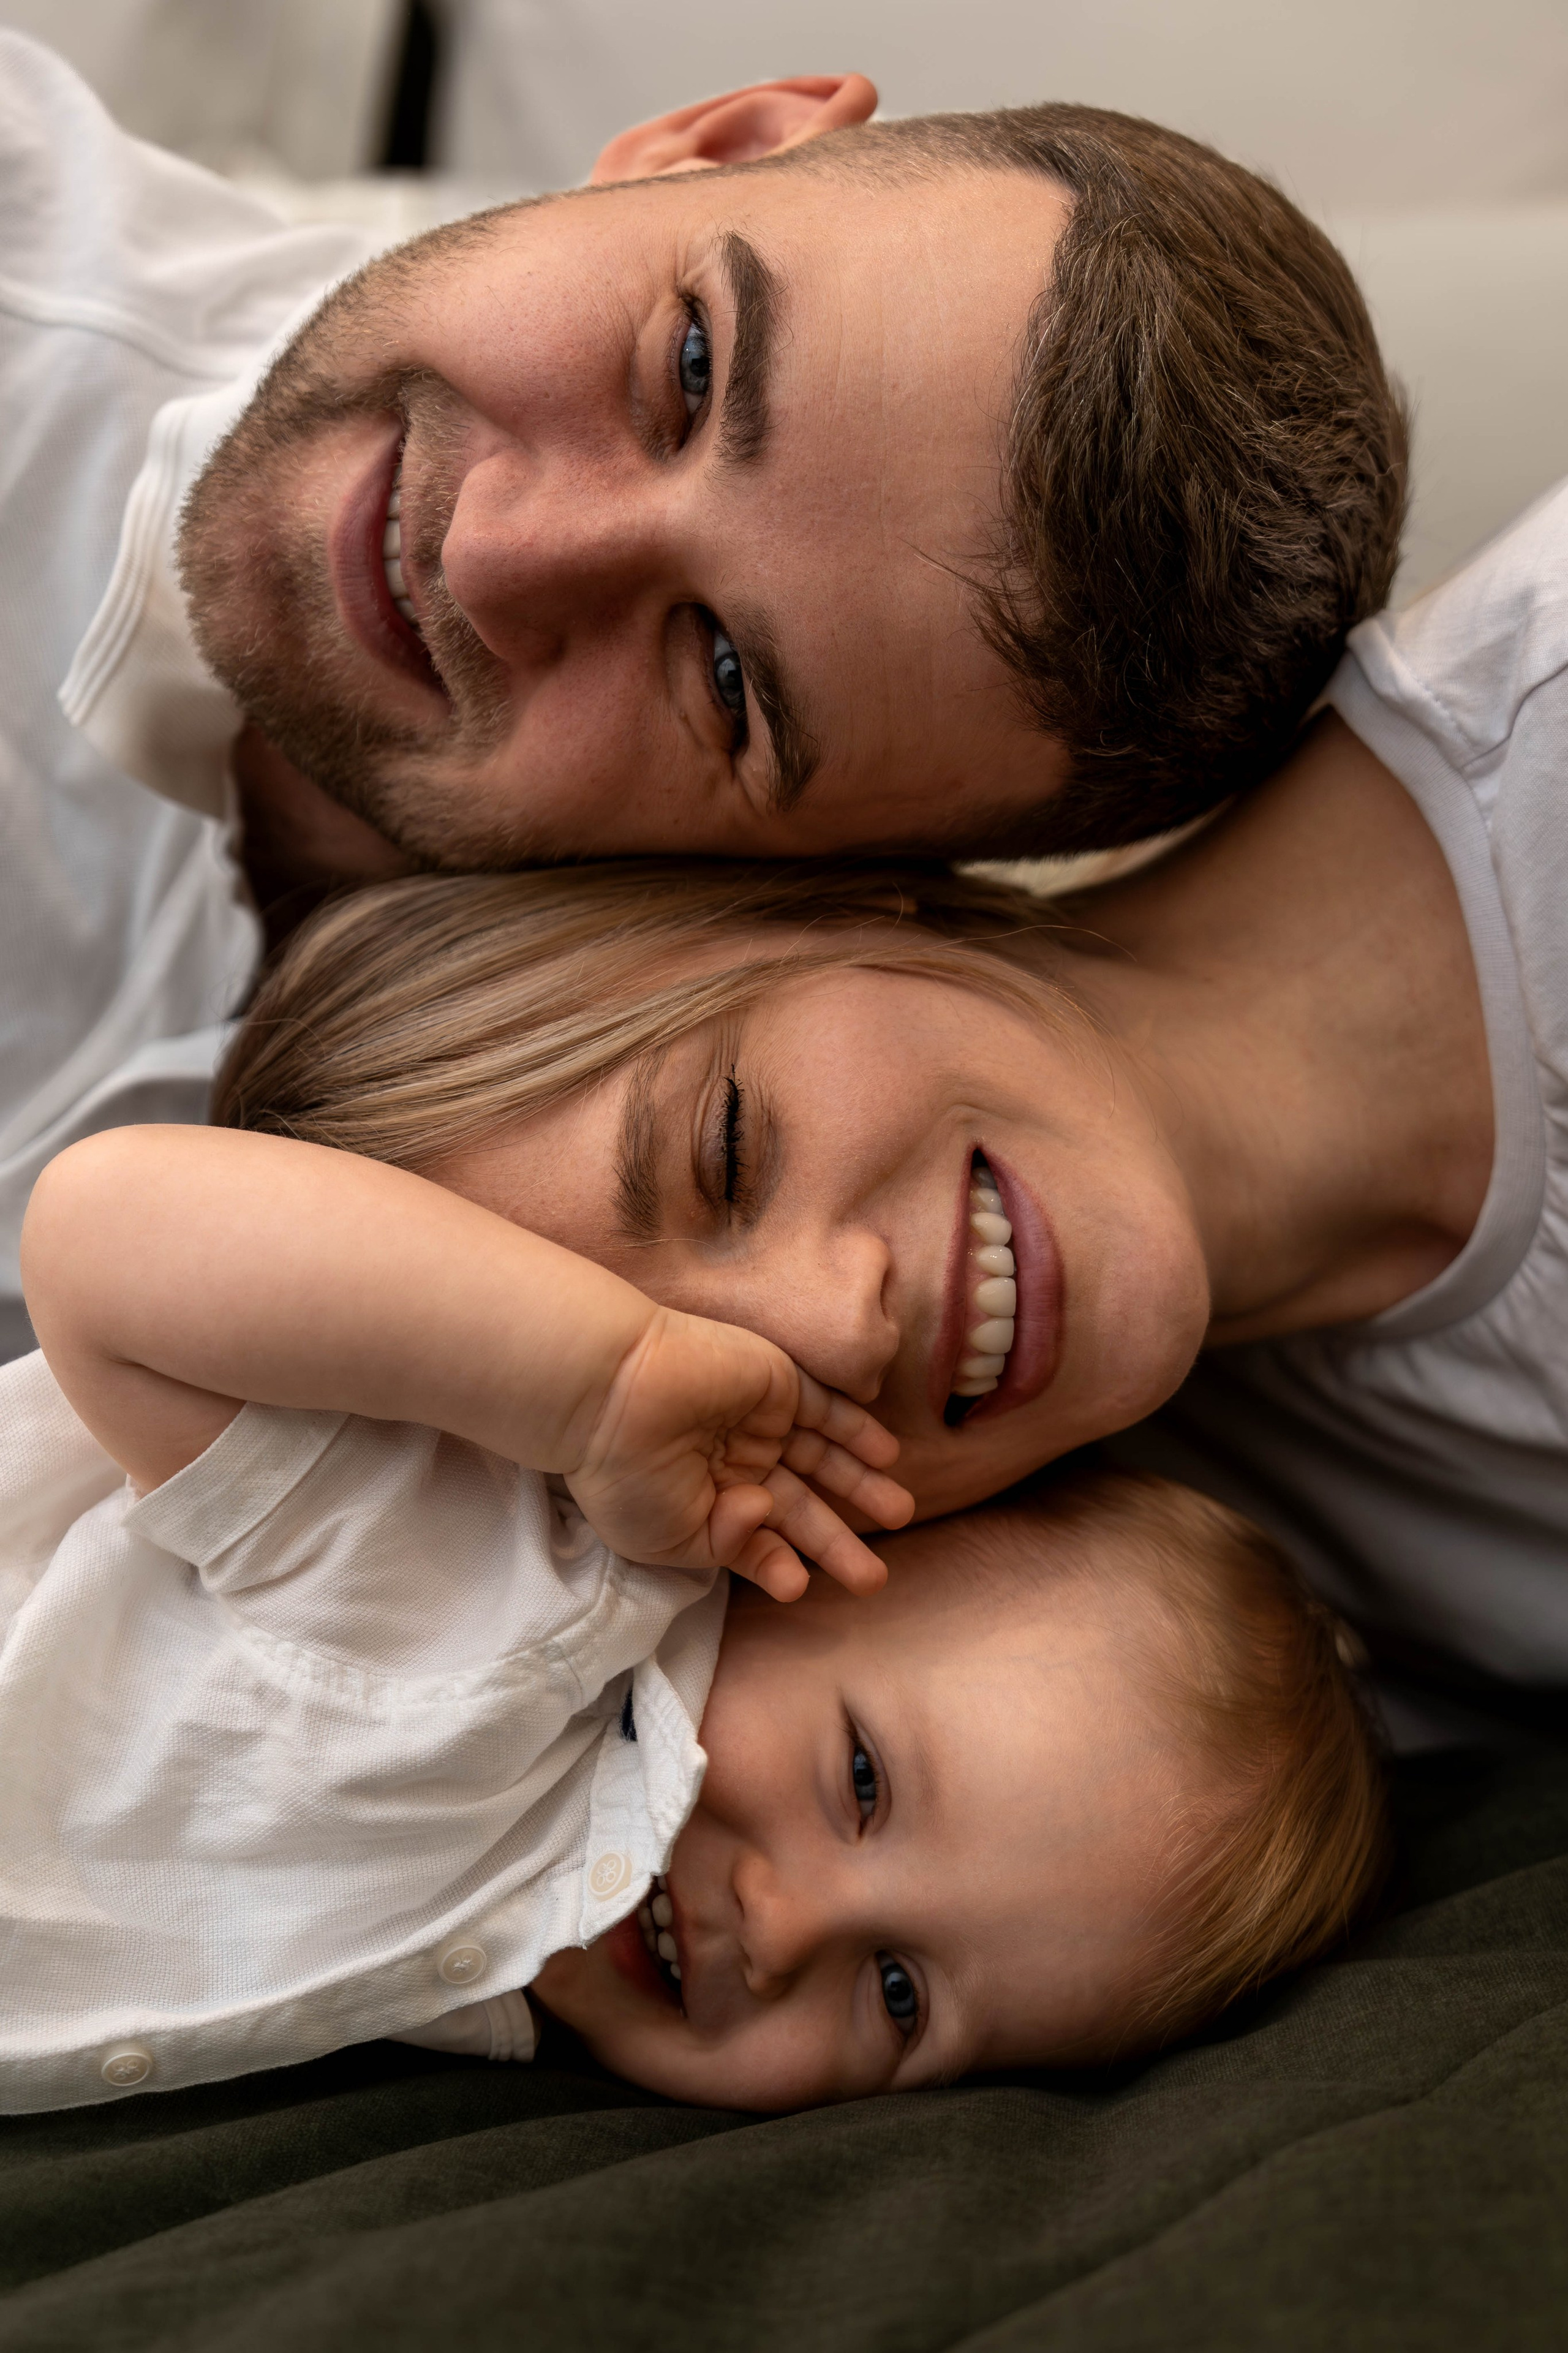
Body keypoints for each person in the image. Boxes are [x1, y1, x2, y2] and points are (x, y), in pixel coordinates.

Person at [0, 28, 1408, 1358]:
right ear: (719, 138)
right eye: (688, 362)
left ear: (840, 885)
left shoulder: (668, 1263)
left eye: (725, 680)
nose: (493, 554)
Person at [205, 474, 1568, 1690]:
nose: (836, 1331)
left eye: (729, 1152)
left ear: (826, 898)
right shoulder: (1172, 1571)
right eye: (699, 1391)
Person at [6, 1119, 1384, 2113]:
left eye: (899, 1994)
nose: (784, 1928)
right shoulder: (503, 1611)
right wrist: (597, 1385)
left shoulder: (498, 1984)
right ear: (800, 1555)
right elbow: (101, 1232)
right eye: (859, 1779)